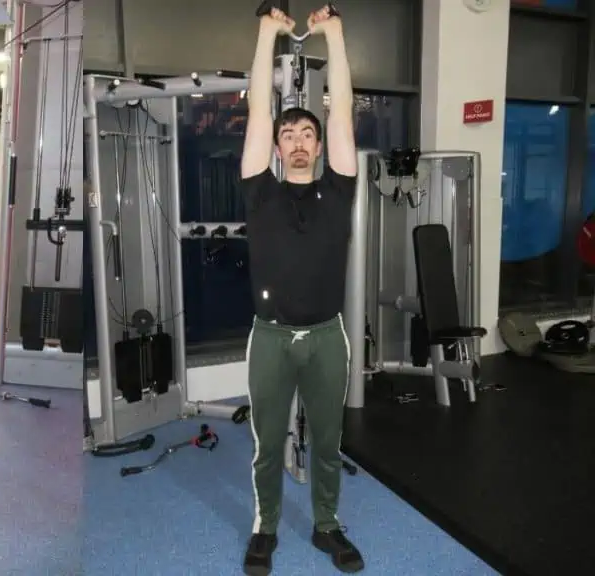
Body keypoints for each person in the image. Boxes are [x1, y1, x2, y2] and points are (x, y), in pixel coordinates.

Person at [239, 6, 363, 576]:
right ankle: (265, 527)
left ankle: (327, 525)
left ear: (317, 147)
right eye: (286, 134)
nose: (295, 141)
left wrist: (334, 36)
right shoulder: (260, 193)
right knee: (267, 446)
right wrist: (267, 35)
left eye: (305, 134)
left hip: (326, 338)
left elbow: (342, 116)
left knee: (329, 444)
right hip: (269, 338)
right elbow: (258, 113)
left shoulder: (338, 192)